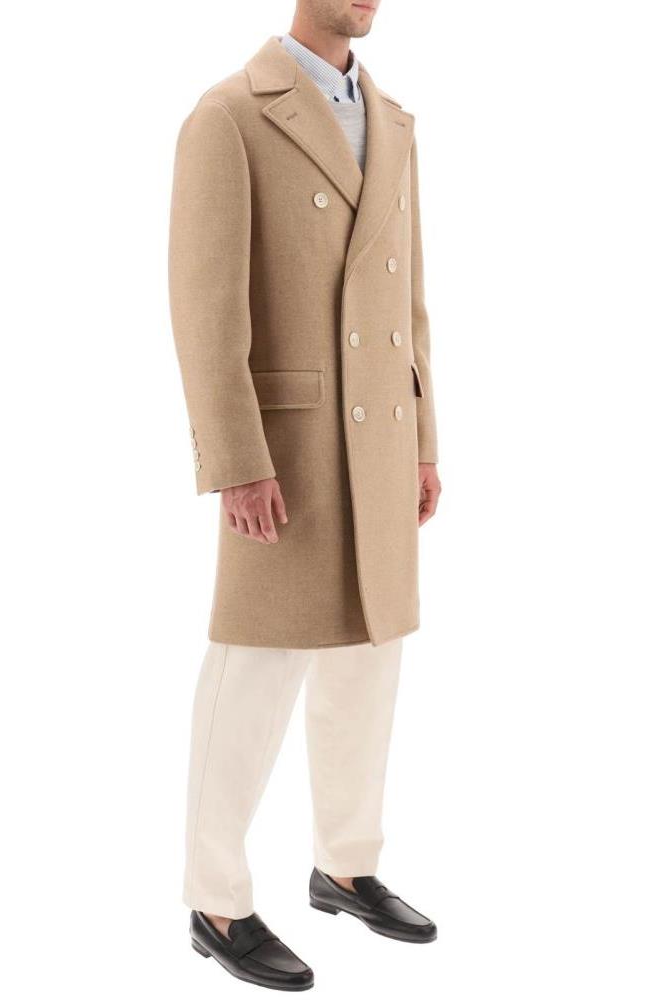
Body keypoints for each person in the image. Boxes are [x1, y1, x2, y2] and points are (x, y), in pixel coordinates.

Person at [168, 0, 441, 989]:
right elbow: (204, 309)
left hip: (381, 440)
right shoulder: (229, 114)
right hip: (287, 448)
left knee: (369, 659)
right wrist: (235, 459)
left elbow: (409, 304)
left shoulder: (394, 121)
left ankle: (345, 865)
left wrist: (423, 442)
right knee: (255, 667)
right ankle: (216, 900)